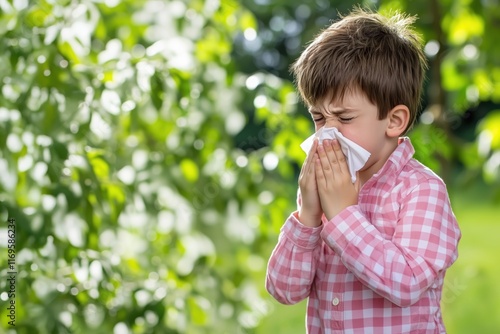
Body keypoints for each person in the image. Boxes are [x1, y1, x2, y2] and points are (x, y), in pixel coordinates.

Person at [265, 7, 461, 333]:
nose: (327, 133)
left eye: (344, 118)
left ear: (394, 121)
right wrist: (308, 217)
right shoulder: (325, 188)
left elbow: (406, 283)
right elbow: (285, 291)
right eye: (318, 118)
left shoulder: (421, 190)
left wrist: (343, 216)